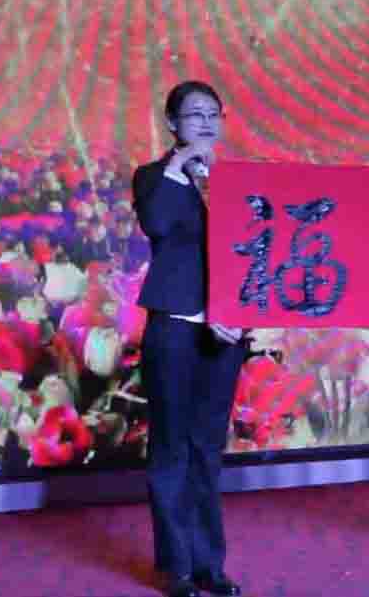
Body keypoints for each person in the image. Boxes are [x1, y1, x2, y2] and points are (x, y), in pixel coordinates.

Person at [133, 81, 245, 597]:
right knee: (171, 447)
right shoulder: (154, 177)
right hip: (175, 327)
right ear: (172, 124)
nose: (205, 122)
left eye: (212, 114)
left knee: (206, 450)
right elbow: (158, 224)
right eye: (194, 114)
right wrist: (180, 166)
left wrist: (238, 315)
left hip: (225, 333)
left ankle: (208, 565)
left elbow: (251, 254)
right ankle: (176, 567)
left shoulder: (236, 182)